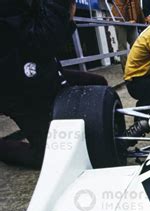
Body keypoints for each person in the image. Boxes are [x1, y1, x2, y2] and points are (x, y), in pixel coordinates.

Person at [0, 0, 107, 168]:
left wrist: (67, 18)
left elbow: (54, 42)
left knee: (98, 83)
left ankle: (106, 133)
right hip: (18, 87)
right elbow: (43, 42)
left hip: (43, 70)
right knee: (52, 155)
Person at [112, 0, 146, 70]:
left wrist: (142, 22)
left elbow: (137, 7)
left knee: (135, 45)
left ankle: (135, 68)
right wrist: (134, 19)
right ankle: (127, 71)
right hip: (120, 18)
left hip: (127, 18)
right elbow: (131, 4)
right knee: (123, 46)